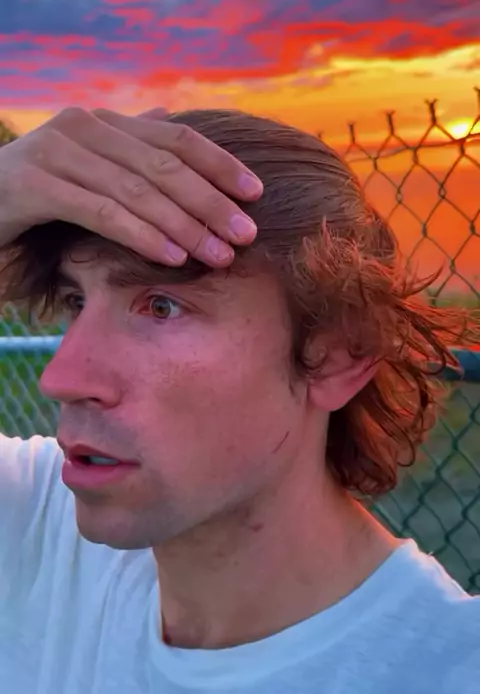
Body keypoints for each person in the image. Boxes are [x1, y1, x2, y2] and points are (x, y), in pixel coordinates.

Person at [0, 105, 478, 694]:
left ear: (337, 354)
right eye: (76, 302)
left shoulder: (450, 669)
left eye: (161, 306)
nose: (62, 377)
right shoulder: (39, 522)